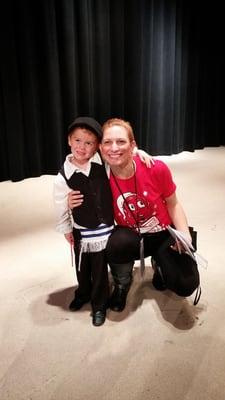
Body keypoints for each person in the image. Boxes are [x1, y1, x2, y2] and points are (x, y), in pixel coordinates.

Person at [68, 118, 200, 313]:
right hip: (130, 236)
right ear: (100, 148)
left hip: (163, 233)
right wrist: (68, 203)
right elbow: (75, 156)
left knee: (185, 283)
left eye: (121, 141)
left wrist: (184, 234)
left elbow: (173, 204)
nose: (114, 148)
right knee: (115, 242)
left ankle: (160, 266)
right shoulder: (98, 174)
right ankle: (122, 283)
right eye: (107, 142)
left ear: (133, 144)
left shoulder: (156, 167)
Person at [53, 116, 152, 326]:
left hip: (103, 231)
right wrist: (66, 229)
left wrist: (138, 152)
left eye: (89, 143)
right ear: (69, 141)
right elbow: (60, 205)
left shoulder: (103, 165)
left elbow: (122, 157)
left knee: (99, 271)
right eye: (77, 141)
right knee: (82, 268)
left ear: (96, 146)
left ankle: (99, 305)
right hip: (81, 230)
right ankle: (83, 292)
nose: (82, 147)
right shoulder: (63, 176)